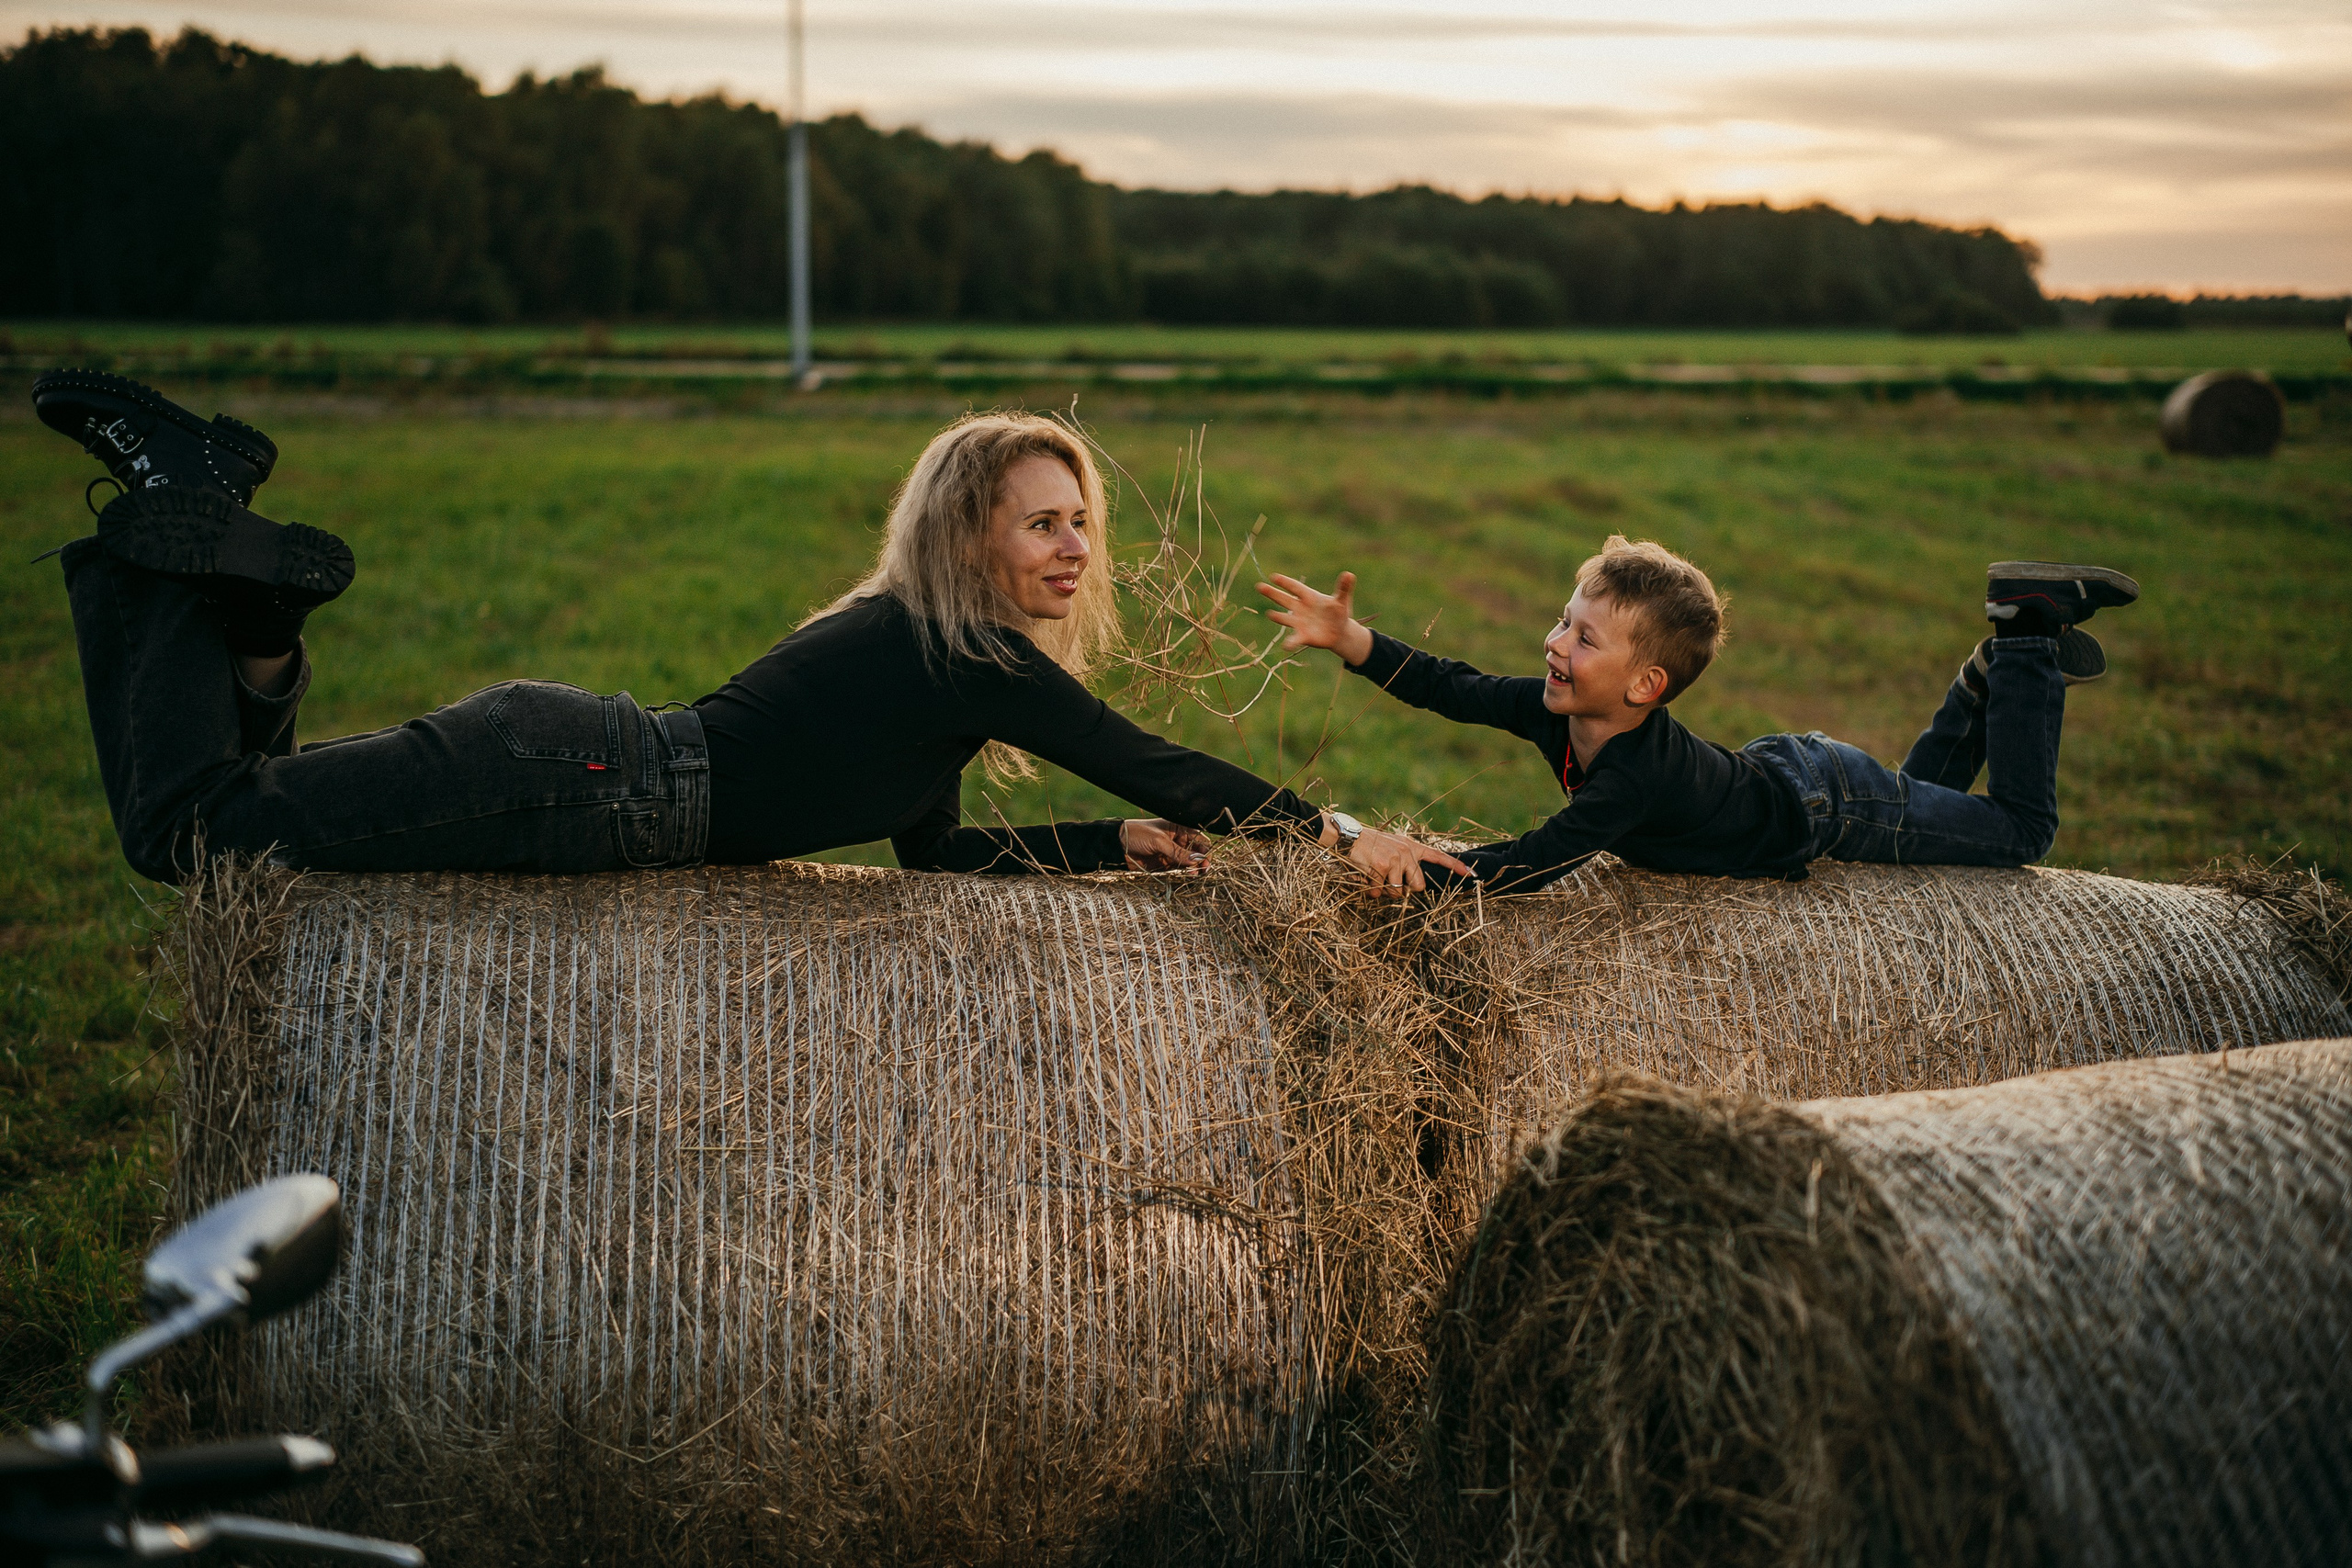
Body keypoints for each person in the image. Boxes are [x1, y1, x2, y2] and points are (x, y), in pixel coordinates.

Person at [35, 370, 1470, 891]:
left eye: (1082, 521)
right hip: (582, 776)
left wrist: (1112, 851)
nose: (1075, 545)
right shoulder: (954, 647)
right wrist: (1349, 839)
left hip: (577, 771)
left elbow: (940, 853)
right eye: (1042, 520)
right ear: (970, 534)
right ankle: (180, 513)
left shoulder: (935, 661)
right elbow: (1165, 760)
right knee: (193, 839)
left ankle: (256, 613)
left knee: (244, 826)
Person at [1257, 535, 2137, 890]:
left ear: (1646, 685)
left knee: (2018, 833)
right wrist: (1354, 640)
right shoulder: (1557, 709)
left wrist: (1421, 866)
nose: (1557, 643)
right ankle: (1985, 684)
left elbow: (1526, 867)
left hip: (1822, 802)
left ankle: (2023, 636)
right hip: (1785, 772)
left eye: (1586, 637)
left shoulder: (1631, 779)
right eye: (1564, 620)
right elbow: (1452, 685)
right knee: (1926, 826)